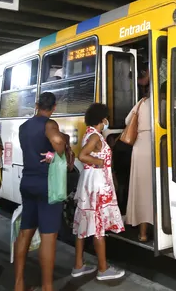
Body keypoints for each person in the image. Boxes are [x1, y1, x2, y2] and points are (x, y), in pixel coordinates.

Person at [14, 92, 73, 291]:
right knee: (48, 237)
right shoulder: (49, 124)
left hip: (27, 182)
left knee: (25, 232)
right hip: (47, 184)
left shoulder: (24, 127)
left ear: (37, 105)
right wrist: (58, 148)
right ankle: (47, 287)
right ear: (54, 107)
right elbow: (58, 143)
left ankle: (19, 284)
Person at [72, 103, 125, 281]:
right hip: (97, 184)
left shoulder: (89, 133)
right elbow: (82, 155)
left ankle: (78, 265)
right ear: (102, 119)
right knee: (98, 226)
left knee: (83, 223)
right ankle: (103, 269)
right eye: (106, 117)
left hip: (89, 182)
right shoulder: (95, 136)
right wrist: (100, 163)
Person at [124, 65, 153, 242]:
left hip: (140, 146)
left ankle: (142, 233)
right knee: (154, 189)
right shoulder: (163, 104)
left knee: (142, 189)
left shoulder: (142, 103)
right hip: (156, 146)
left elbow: (127, 120)